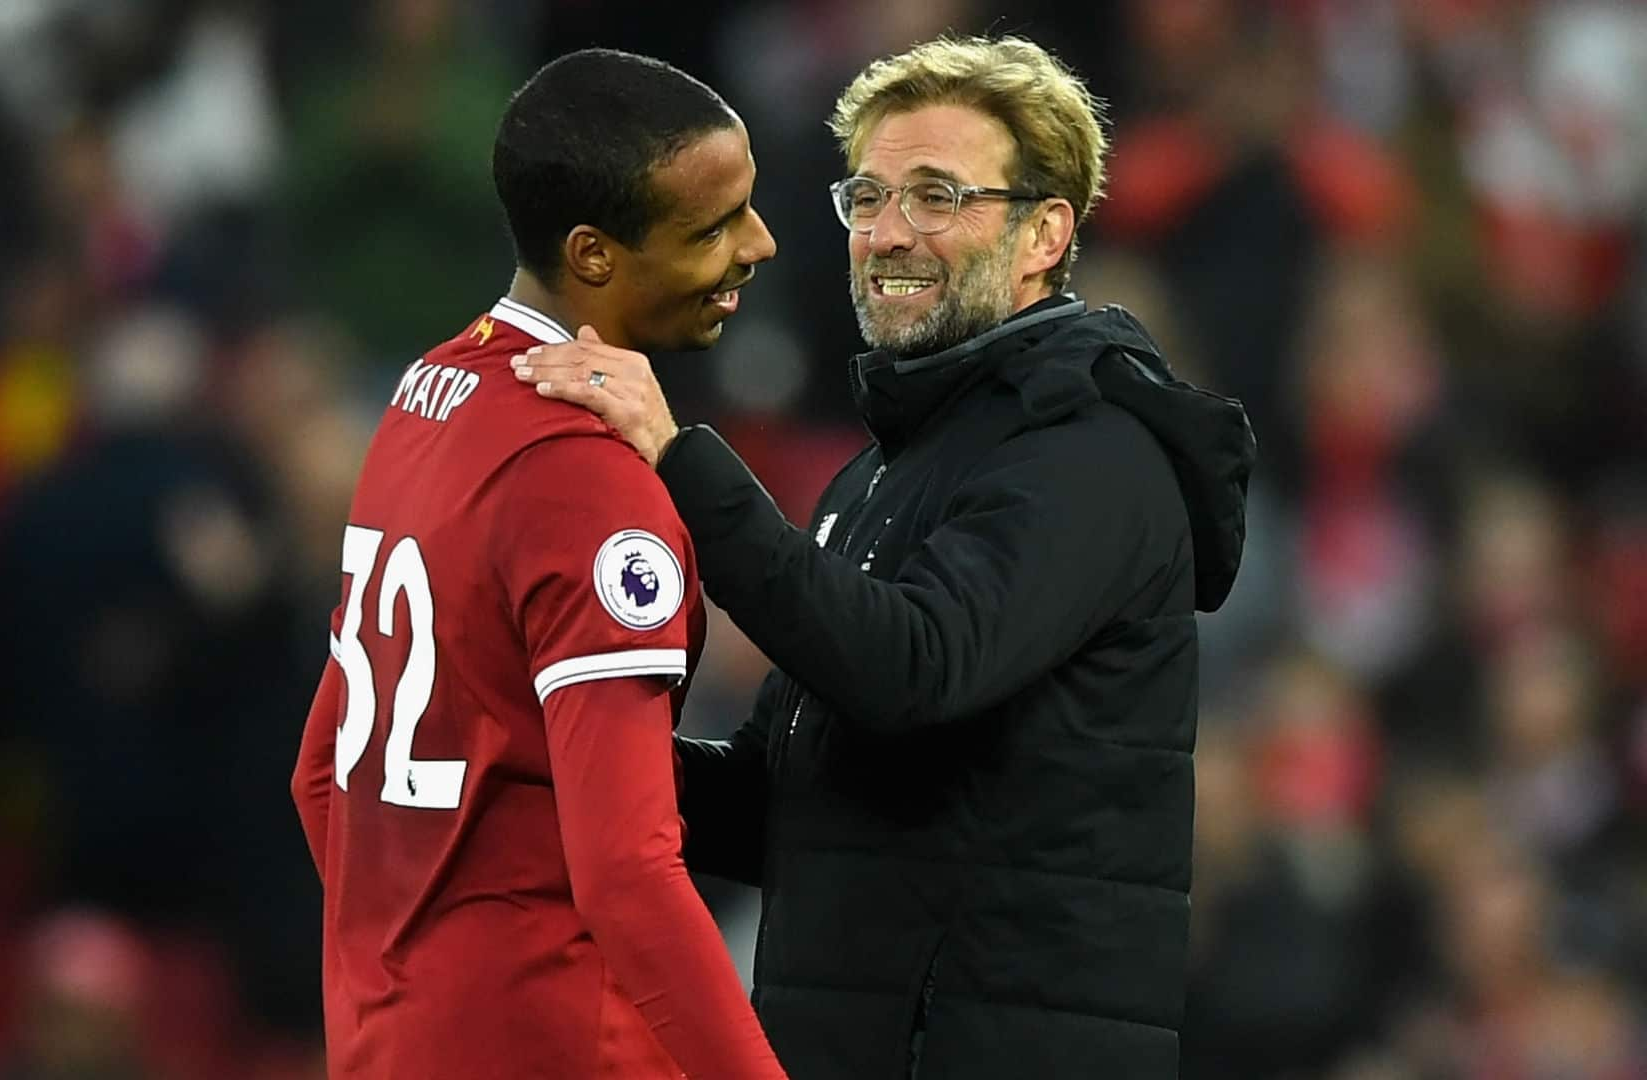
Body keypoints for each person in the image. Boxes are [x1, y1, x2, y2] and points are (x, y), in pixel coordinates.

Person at [513, 34, 1256, 1078]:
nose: (888, 233)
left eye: (937, 196)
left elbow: (912, 668)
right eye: (867, 196)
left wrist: (682, 463)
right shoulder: (881, 477)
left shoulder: (1092, 453)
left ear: (1046, 232)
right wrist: (543, 734)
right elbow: (780, 804)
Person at [288, 49, 785, 1079]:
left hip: (388, 1037)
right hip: (556, 1039)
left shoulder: (427, 395)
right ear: (595, 255)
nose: (759, 245)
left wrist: (414, 975)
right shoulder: (586, 475)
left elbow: (322, 777)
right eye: (714, 227)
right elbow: (628, 878)